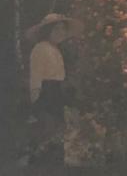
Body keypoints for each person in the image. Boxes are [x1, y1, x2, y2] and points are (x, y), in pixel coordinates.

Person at [26, 13, 83, 165]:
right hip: (46, 93)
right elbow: (36, 76)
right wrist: (36, 101)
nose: (61, 33)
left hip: (57, 92)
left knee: (58, 132)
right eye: (57, 29)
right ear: (48, 31)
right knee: (47, 130)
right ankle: (39, 162)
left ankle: (54, 161)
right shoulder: (40, 48)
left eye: (63, 30)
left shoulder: (55, 50)